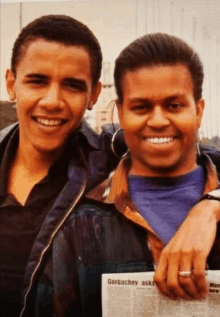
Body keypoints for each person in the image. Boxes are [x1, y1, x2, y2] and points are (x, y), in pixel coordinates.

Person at [1, 15, 220, 317]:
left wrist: (211, 205)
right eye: (37, 81)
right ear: (11, 84)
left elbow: (188, 150)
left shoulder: (103, 159)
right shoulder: (88, 211)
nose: (52, 101)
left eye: (72, 86)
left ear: (93, 95)